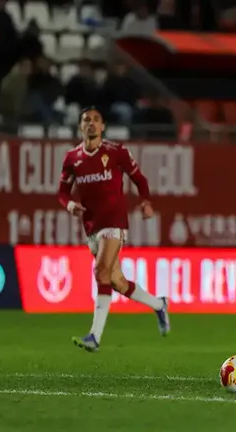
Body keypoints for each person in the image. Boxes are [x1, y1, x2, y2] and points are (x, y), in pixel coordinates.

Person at [57, 107, 170, 352]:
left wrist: (146, 201)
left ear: (103, 126)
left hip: (115, 223)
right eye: (87, 120)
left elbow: (139, 178)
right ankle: (159, 304)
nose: (91, 124)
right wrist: (70, 206)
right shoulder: (72, 158)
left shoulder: (116, 152)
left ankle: (94, 337)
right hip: (91, 226)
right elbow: (62, 193)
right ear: (80, 126)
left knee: (100, 271)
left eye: (96, 120)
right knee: (116, 281)